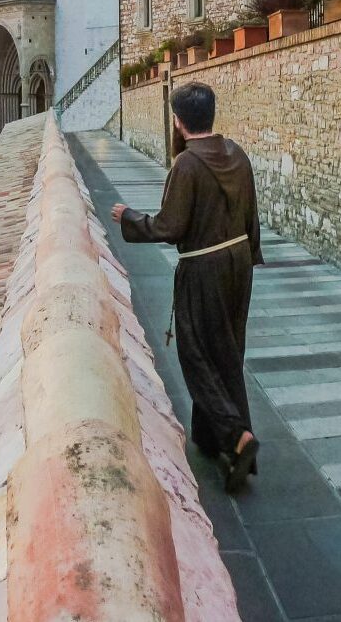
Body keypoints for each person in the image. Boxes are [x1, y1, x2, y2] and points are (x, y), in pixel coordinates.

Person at [111, 82, 262, 493]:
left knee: (197, 354)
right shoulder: (238, 154)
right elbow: (251, 214)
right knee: (228, 350)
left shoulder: (187, 165)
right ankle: (210, 437)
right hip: (239, 262)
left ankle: (235, 435)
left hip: (204, 267)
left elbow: (170, 226)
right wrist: (250, 256)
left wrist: (128, 217)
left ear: (178, 121)